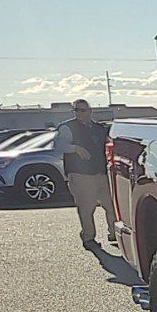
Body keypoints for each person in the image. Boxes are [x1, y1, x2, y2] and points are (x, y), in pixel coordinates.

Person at [53, 99, 117, 250]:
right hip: (80, 174)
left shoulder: (99, 128)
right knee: (86, 207)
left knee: (111, 205)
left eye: (82, 110)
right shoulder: (67, 127)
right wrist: (75, 148)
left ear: (90, 111)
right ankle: (88, 237)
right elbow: (58, 145)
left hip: (101, 173)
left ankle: (114, 234)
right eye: (76, 110)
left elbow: (109, 143)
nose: (79, 113)